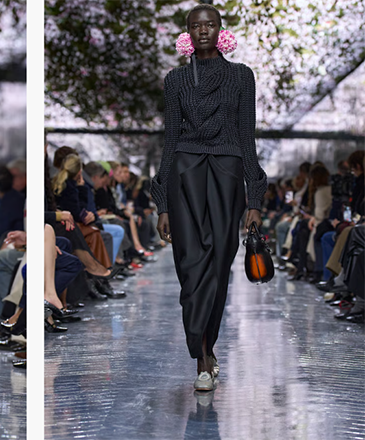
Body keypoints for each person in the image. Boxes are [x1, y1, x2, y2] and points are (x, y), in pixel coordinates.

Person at [152, 4, 267, 391]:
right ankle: (201, 357)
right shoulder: (176, 79)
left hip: (227, 174)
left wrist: (254, 200)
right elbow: (170, 138)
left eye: (210, 24)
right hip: (184, 174)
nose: (203, 30)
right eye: (196, 25)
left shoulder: (241, 76)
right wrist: (162, 202)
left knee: (218, 264)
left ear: (220, 30)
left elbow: (247, 136)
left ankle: (208, 345)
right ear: (187, 32)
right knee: (191, 265)